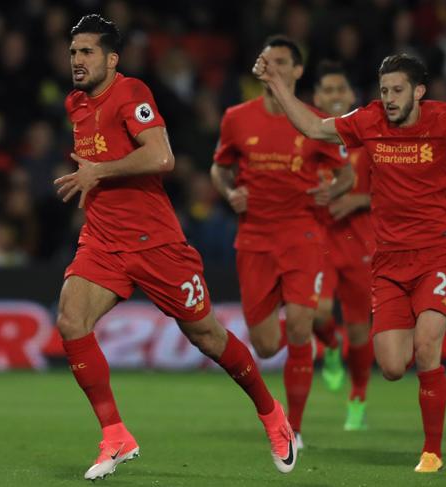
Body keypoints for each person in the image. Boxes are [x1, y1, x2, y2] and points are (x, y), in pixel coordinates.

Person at [54, 15, 297, 480]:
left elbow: (161, 157)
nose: (77, 61)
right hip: (104, 239)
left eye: (86, 52)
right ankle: (115, 434)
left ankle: (271, 413)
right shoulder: (75, 104)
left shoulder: (131, 93)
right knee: (70, 319)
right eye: (72, 53)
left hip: (155, 243)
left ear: (111, 58)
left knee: (206, 337)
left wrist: (98, 173)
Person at [253, 44, 446, 472]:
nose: (388, 98)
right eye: (384, 89)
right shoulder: (368, 120)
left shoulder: (445, 120)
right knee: (391, 366)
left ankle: (432, 452)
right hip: (388, 263)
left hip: (438, 255)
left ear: (419, 92)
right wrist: (277, 84)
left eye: (396, 90)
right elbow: (315, 128)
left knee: (428, 346)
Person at [211, 36, 354, 449]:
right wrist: (228, 193)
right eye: (264, 60)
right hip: (254, 239)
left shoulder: (314, 121)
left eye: (279, 61)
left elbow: (345, 172)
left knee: (299, 326)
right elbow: (218, 169)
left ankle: (295, 427)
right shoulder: (236, 118)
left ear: (296, 71)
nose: (269, 66)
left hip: (302, 235)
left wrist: (334, 191)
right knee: (266, 345)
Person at [310, 61, 375, 432]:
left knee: (359, 332)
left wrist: (359, 200)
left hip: (360, 241)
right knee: (319, 313)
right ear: (316, 98)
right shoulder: (310, 139)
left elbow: (393, 191)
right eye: (328, 91)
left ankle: (358, 398)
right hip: (319, 240)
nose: (335, 96)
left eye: (341, 90)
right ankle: (330, 349)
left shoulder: (370, 140)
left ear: (352, 96)